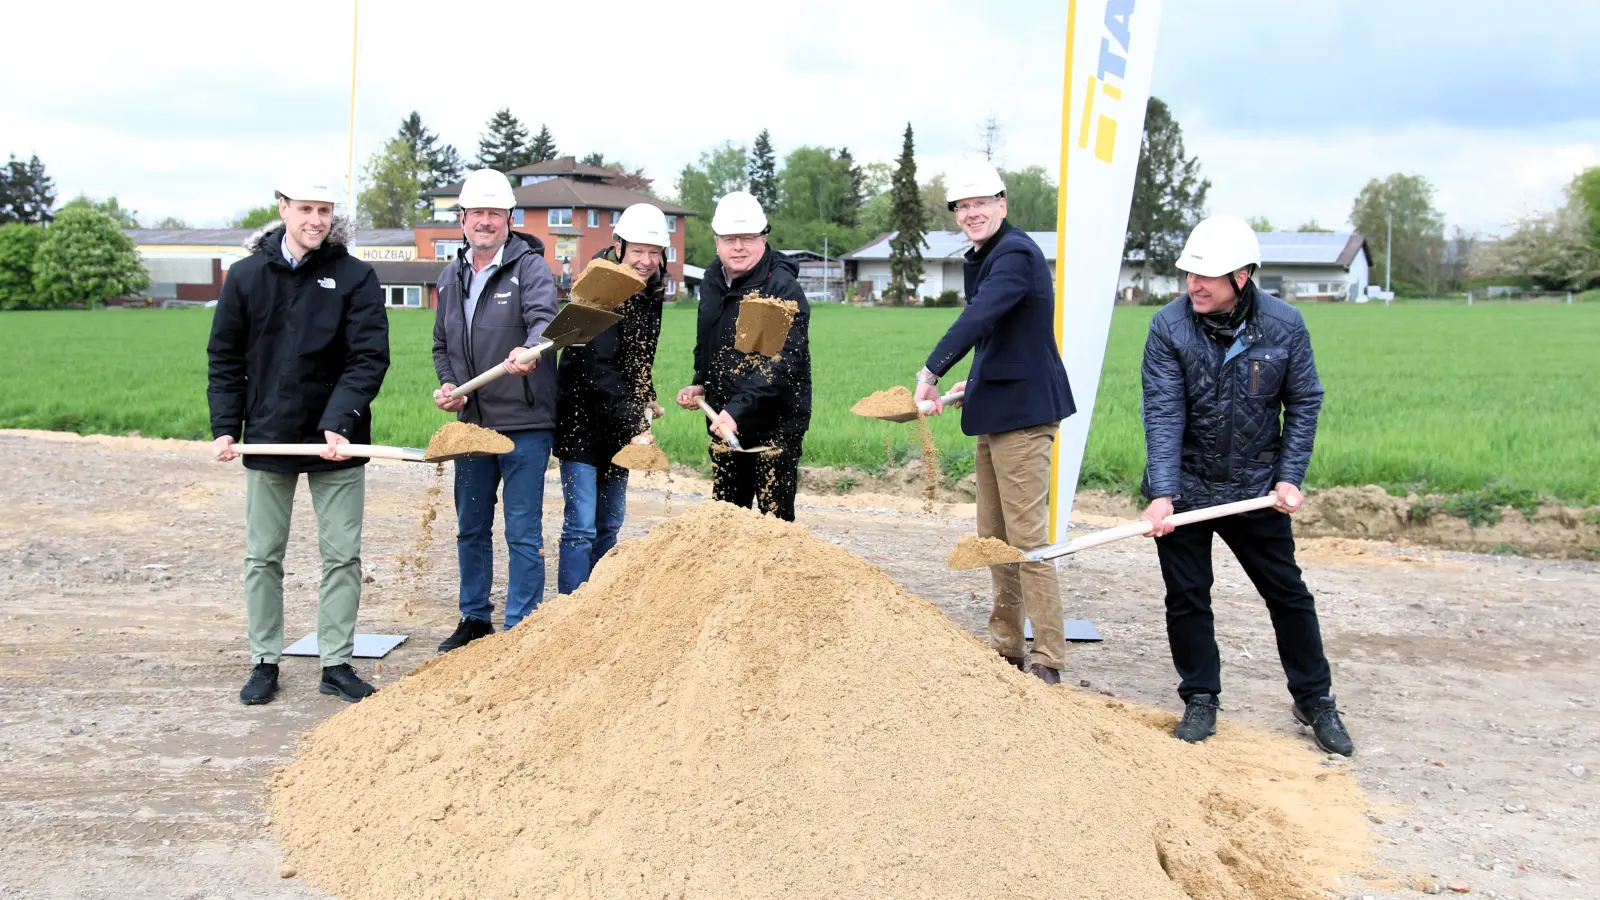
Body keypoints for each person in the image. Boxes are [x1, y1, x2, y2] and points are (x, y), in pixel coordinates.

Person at [1139, 214, 1353, 756]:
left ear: (1241, 276)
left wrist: (1288, 477)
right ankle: (1201, 697)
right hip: (1187, 484)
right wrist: (1162, 492)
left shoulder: (1284, 326)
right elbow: (1163, 413)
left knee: (1288, 595)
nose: (1192, 285)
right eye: (1188, 274)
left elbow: (1304, 401)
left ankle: (1315, 699)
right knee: (1187, 597)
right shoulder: (1169, 326)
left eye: (1205, 277)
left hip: (1255, 485)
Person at [207, 180, 390, 706]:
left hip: (339, 440)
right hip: (268, 435)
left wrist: (341, 421)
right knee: (262, 555)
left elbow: (368, 356)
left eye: (325, 210)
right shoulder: (245, 277)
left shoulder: (355, 276)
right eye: (306, 208)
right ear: (283, 208)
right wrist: (225, 426)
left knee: (342, 557)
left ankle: (336, 662)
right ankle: (265, 659)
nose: (316, 219)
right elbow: (225, 359)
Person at [915, 161, 1076, 686]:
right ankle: (1006, 646)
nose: (971, 213)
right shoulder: (985, 256)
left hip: (1026, 419)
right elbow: (1003, 340)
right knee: (994, 537)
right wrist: (972, 386)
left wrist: (933, 370)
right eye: (962, 207)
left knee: (1027, 540)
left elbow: (980, 316)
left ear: (1002, 205)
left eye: (980, 203)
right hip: (999, 409)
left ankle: (1048, 655)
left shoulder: (1015, 253)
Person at [430, 169, 559, 651]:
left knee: (523, 529)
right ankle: (474, 618)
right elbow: (442, 343)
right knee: (471, 526)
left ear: (509, 219)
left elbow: (545, 323)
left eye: (494, 214)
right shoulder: (451, 273)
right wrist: (450, 384)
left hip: (525, 422)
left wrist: (530, 351)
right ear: (462, 219)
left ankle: (522, 627)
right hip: (473, 424)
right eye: (477, 213)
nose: (485, 222)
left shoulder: (530, 268)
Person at [674, 192, 811, 521]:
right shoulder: (712, 280)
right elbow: (706, 340)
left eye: (748, 238)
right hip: (723, 421)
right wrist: (700, 383)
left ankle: (775, 574)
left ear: (763, 238)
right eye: (730, 238)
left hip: (774, 425)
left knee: (773, 522)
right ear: (716, 240)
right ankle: (729, 576)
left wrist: (736, 409)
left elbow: (779, 363)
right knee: (726, 517)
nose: (739, 246)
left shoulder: (781, 289)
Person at [553, 203, 668, 593]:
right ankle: (569, 609)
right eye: (638, 250)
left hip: (619, 423)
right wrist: (636, 425)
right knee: (582, 525)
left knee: (610, 523)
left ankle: (597, 607)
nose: (646, 260)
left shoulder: (651, 291)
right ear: (618, 246)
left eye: (654, 252)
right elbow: (599, 368)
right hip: (582, 422)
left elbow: (637, 354)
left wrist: (645, 393)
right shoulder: (600, 287)